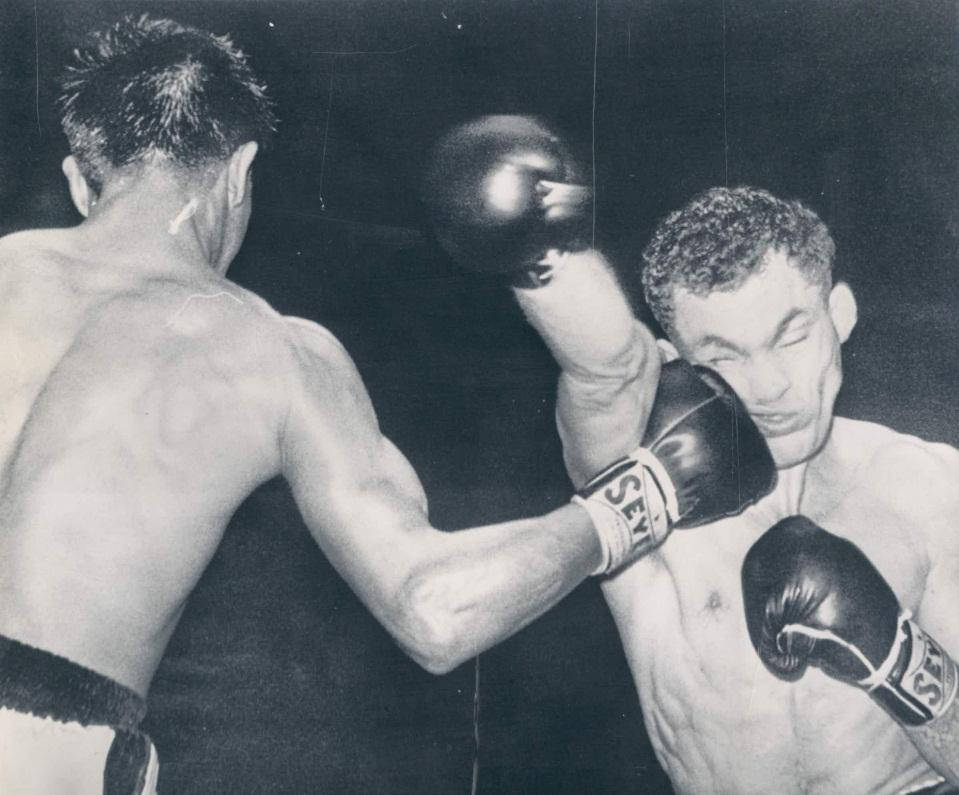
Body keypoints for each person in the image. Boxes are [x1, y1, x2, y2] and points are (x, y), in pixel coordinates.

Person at [0, 18, 773, 793]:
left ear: (78, 178)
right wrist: (645, 494)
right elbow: (432, 609)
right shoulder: (273, 351)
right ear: (240, 172)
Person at [426, 118, 959, 794]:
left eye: (790, 337)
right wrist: (541, 253)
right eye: (723, 356)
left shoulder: (932, 484)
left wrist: (894, 657)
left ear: (841, 315)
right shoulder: (646, 485)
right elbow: (601, 369)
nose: (767, 385)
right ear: (677, 360)